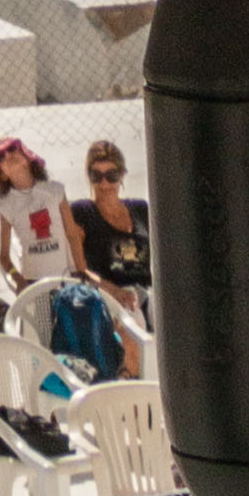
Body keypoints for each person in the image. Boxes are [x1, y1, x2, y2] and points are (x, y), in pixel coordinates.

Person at [0, 139, 120, 384]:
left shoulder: (54, 190)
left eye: (13, 149)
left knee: (74, 340)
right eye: (1, 156)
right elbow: (4, 256)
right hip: (34, 286)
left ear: (27, 155)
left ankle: (86, 386)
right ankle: (49, 402)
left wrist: (81, 272)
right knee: (43, 351)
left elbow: (71, 234)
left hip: (65, 280)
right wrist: (17, 278)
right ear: (0, 172)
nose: (9, 156)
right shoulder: (6, 205)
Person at [69, 134, 156, 373]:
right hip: (109, 294)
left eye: (112, 176)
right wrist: (112, 290)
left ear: (122, 175)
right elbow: (78, 267)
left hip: (144, 290)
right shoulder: (82, 212)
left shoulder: (140, 209)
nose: (105, 184)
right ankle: (135, 395)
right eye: (96, 176)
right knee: (133, 325)